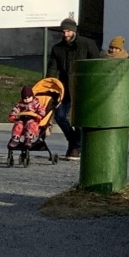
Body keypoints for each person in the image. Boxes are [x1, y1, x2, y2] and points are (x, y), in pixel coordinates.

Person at [47, 17, 100, 160]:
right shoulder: (57, 48)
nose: (65, 34)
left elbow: (96, 65)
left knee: (80, 121)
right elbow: (52, 68)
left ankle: (75, 148)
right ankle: (74, 142)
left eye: (68, 31)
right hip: (64, 88)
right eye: (63, 31)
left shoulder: (87, 44)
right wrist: (49, 85)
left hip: (84, 87)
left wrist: (93, 83)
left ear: (74, 31)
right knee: (59, 116)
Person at [7, 84, 47, 149]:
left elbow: (41, 110)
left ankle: (28, 139)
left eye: (28, 98)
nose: (26, 100)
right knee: (18, 124)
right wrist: (13, 115)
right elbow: (15, 109)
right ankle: (15, 138)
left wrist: (39, 115)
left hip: (33, 119)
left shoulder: (36, 103)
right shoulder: (21, 104)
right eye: (25, 98)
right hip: (22, 119)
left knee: (31, 125)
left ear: (32, 96)